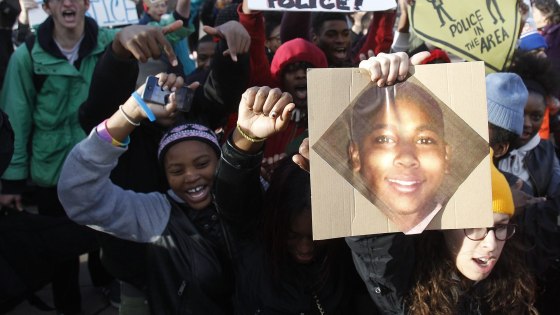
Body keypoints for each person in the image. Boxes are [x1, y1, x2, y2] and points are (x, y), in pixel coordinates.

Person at [57, 81, 295, 314]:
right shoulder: (159, 214)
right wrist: (131, 112)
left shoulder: (253, 196)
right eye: (177, 171)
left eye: (202, 164)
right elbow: (80, 196)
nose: (191, 176)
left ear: (221, 162)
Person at [234, 159, 376, 314]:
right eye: (292, 235)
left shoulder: (352, 260)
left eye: (316, 237)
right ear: (275, 223)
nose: (305, 249)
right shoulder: (254, 263)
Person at [346, 79, 450, 234]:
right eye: (384, 139)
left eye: (424, 140)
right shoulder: (342, 239)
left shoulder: (468, 235)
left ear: (446, 156)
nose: (407, 158)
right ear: (355, 155)